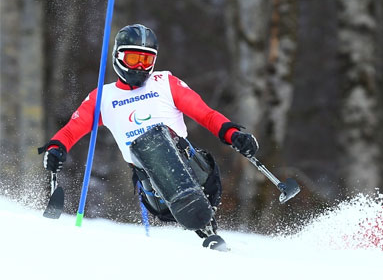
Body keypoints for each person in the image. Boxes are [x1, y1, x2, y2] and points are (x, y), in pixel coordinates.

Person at [39, 24, 258, 247]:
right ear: (118, 56)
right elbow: (71, 129)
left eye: (147, 61)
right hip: (151, 183)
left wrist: (232, 134)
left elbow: (206, 114)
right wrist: (56, 147)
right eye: (134, 60)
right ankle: (200, 224)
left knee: (160, 140)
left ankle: (206, 228)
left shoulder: (165, 84)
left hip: (192, 169)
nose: (141, 67)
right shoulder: (103, 97)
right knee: (148, 148)